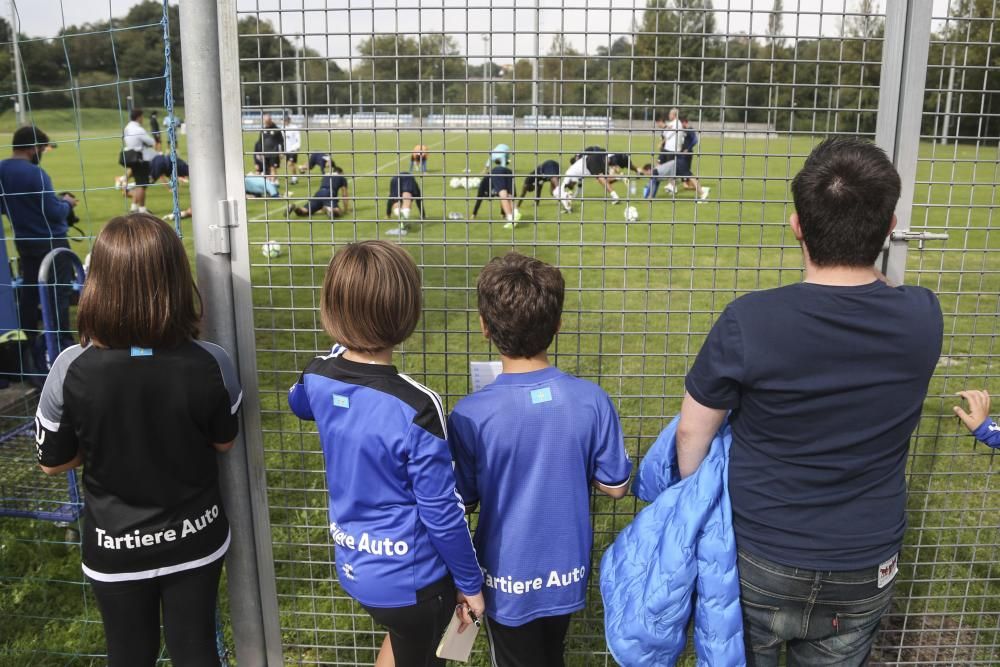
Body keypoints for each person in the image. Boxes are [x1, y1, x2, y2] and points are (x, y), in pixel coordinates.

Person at [676, 137, 943, 666]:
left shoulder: (749, 321)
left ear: (797, 223)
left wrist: (696, 501)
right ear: (890, 228)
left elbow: (692, 434)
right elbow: (884, 290)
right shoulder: (923, 316)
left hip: (760, 552)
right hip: (866, 563)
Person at [35, 213, 242, 666]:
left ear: (98, 283)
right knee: (196, 649)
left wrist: (108, 436)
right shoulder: (211, 362)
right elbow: (224, 442)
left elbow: (53, 461)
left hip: (114, 546)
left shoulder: (71, 368)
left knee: (128, 654)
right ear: (175, 279)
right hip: (196, 537)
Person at [288, 240, 485, 667]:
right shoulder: (418, 406)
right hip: (414, 584)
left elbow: (297, 402)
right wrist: (470, 583)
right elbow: (442, 511)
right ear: (406, 312)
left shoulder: (317, 376)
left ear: (332, 307)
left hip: (356, 566)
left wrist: (335, 355)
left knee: (402, 641)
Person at [448, 252, 631, 667]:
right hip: (566, 571)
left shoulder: (471, 414)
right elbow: (617, 485)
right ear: (558, 324)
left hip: (505, 575)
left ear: (484, 327)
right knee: (551, 653)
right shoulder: (592, 401)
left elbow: (465, 499)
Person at [0, 126, 79, 364]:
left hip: (24, 240)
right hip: (51, 242)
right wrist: (67, 204)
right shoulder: (36, 173)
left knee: (29, 292)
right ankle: (60, 343)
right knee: (59, 292)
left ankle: (25, 343)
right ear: (34, 148)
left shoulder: (2, 169)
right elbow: (53, 212)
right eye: (42, 148)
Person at [123, 108, 157, 214]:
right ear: (138, 117)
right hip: (141, 158)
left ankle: (133, 207)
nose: (143, 119)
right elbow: (151, 141)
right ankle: (142, 209)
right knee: (142, 185)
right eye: (142, 116)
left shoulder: (127, 128)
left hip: (131, 157)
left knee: (138, 184)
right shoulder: (139, 130)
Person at [471, 161, 517, 227]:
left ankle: (512, 216)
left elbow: (479, 201)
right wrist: (474, 214)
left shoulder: (485, 185)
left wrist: (474, 214)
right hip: (506, 172)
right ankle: (515, 213)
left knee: (505, 196)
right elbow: (479, 200)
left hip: (498, 173)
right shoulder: (486, 186)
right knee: (508, 196)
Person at [674, 117, 710, 200]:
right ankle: (681, 185)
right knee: (683, 170)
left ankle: (700, 190)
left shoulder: (690, 129)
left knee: (685, 171)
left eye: (681, 124)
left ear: (685, 122)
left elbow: (695, 140)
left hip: (687, 154)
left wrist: (688, 149)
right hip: (682, 153)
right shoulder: (685, 130)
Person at [385, 172, 423, 237]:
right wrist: (422, 215)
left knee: (396, 201)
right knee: (407, 199)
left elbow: (390, 199)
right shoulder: (415, 187)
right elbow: (419, 200)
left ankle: (402, 219)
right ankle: (404, 222)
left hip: (395, 178)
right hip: (408, 178)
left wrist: (388, 214)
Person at [253, 114, 283, 179]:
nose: (265, 123)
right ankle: (270, 183)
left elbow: (281, 141)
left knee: (273, 168)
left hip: (274, 153)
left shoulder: (276, 130)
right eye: (265, 121)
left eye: (267, 121)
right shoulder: (263, 130)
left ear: (270, 120)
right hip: (265, 153)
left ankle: (274, 182)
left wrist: (282, 152)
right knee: (267, 170)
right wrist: (259, 152)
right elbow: (260, 142)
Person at [283, 114, 302, 183]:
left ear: (289, 120)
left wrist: (298, 147)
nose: (285, 121)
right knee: (292, 164)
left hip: (293, 149)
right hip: (286, 149)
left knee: (290, 164)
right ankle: (296, 176)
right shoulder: (282, 128)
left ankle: (294, 178)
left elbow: (298, 138)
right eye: (284, 120)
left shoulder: (294, 127)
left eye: (286, 120)